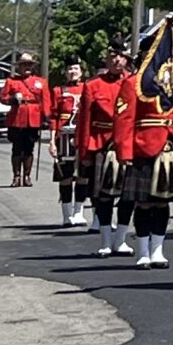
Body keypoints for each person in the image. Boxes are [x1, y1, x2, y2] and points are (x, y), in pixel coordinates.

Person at [112, 42, 173, 272]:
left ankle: (157, 250)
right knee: (143, 203)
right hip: (143, 147)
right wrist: (124, 151)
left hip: (169, 149)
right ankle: (142, 251)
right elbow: (124, 119)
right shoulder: (132, 83)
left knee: (161, 202)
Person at [75, 51, 130, 257]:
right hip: (101, 143)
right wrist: (84, 151)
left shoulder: (134, 83)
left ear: (127, 60)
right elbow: (84, 121)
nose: (117, 61)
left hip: (127, 144)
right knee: (103, 196)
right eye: (113, 56)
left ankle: (121, 239)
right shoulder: (93, 85)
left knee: (127, 197)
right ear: (106, 60)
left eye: (121, 57)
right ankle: (106, 240)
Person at [1, 53, 51, 190]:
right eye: (24, 65)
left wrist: (47, 117)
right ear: (19, 67)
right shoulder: (11, 81)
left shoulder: (41, 82)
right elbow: (2, 97)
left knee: (29, 148)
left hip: (33, 118)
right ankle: (16, 176)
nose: (27, 68)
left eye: (29, 65)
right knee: (17, 148)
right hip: (17, 117)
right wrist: (11, 100)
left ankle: (27, 176)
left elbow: (46, 101)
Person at [51, 62, 87, 226]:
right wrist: (52, 141)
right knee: (65, 176)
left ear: (82, 72)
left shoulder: (87, 88)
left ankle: (78, 212)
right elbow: (54, 117)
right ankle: (66, 215)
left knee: (82, 176)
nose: (73, 72)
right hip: (64, 136)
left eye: (76, 69)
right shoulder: (58, 91)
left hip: (83, 135)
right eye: (69, 69)